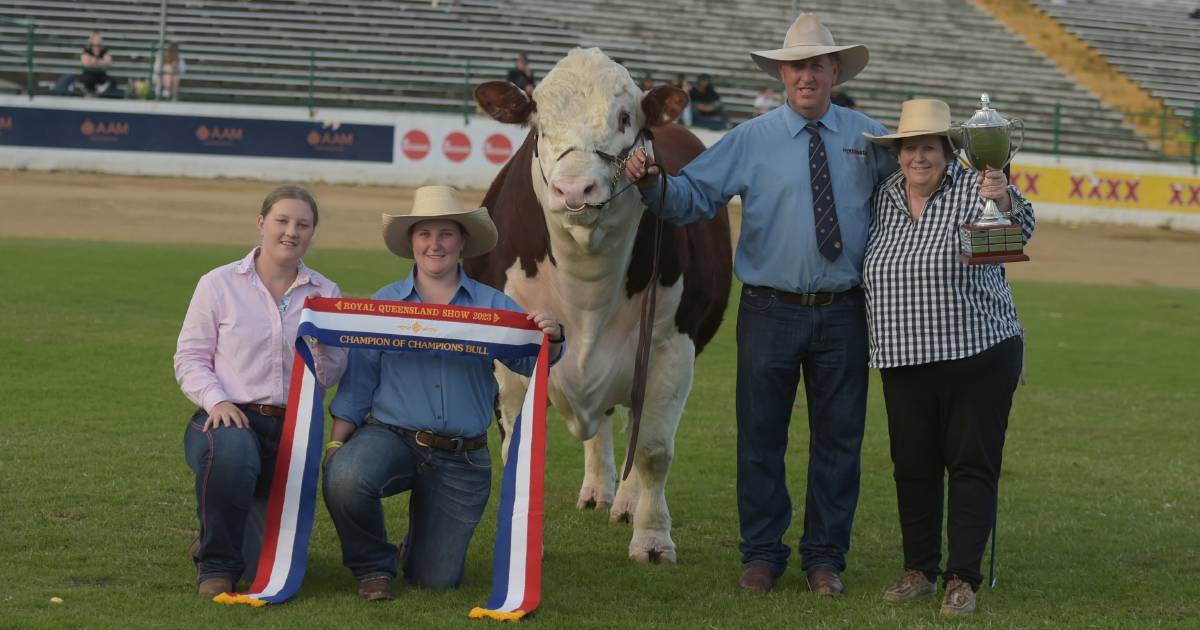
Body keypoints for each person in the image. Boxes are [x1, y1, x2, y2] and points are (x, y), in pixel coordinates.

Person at [624, 13, 896, 595]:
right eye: (796, 65)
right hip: (771, 309)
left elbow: (917, 189)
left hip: (846, 310)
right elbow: (694, 196)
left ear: (834, 72)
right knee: (761, 438)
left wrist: (984, 182)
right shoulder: (751, 138)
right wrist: (651, 184)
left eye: (817, 65)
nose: (806, 76)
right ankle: (763, 556)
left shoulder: (870, 139)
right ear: (781, 71)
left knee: (840, 441)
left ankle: (825, 559)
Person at [322, 186, 564, 601]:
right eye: (425, 234)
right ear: (412, 243)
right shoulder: (385, 305)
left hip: (461, 456)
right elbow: (359, 383)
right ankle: (374, 567)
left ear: (462, 242)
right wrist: (336, 445)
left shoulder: (492, 305)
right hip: (390, 437)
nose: (435, 244)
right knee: (345, 477)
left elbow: (532, 362)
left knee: (434, 580)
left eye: (446, 234)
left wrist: (552, 337)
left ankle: (415, 549)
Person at [861, 99, 1033, 616]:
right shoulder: (884, 197)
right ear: (897, 154)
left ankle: (963, 578)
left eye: (929, 148)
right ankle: (919, 569)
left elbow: (1019, 230)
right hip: (903, 356)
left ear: (947, 152)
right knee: (911, 466)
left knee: (970, 465)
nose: (919, 157)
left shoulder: (974, 188)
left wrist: (1001, 198)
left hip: (977, 351)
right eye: (910, 147)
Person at [175, 186, 347, 597]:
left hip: (293, 429)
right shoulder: (218, 284)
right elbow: (190, 357)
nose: (291, 232)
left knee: (260, 566)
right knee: (233, 454)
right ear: (261, 224)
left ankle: (216, 533)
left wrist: (320, 352)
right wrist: (216, 400)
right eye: (282, 221)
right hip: (228, 418)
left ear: (312, 233)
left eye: (303, 225)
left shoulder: (326, 293)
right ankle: (215, 566)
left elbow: (336, 368)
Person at [79, 32, 112, 96]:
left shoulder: (104, 51)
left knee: (110, 82)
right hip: (89, 74)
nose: (98, 40)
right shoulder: (87, 50)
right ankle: (91, 93)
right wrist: (101, 62)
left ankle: (99, 93)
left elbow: (109, 63)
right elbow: (85, 63)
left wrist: (94, 62)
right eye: (96, 38)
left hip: (101, 74)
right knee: (89, 79)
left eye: (99, 38)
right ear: (92, 40)